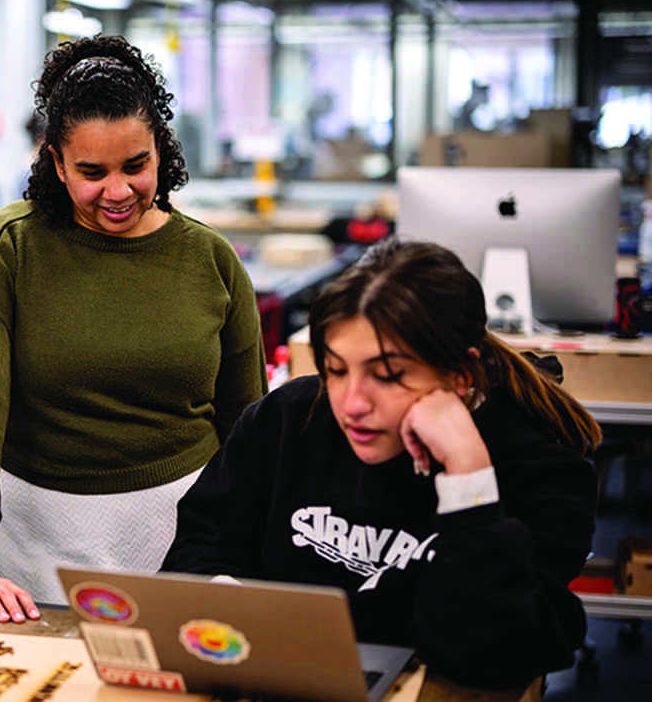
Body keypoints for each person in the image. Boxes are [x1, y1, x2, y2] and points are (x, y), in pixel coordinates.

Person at [162, 238, 600, 691]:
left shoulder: (538, 465)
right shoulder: (286, 419)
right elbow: (198, 549)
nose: (352, 404)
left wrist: (468, 479)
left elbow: (497, 651)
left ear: (460, 375)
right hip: (282, 678)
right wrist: (227, 599)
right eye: (336, 370)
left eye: (388, 376)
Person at [0, 35, 267, 622]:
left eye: (135, 165)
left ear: (160, 149)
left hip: (185, 537)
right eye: (92, 172)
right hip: (32, 545)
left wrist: (244, 554)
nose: (118, 192)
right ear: (56, 164)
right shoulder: (1, 248)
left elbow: (249, 430)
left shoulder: (211, 259)